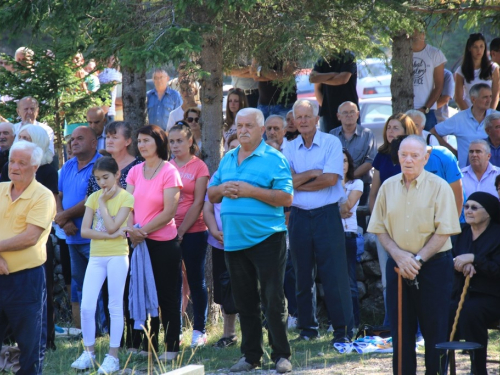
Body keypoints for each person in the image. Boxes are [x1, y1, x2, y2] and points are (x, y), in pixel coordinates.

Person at [208, 107, 293, 373]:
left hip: (267, 237)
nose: (242, 130)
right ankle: (251, 356)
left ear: (261, 129)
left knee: (272, 298)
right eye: (238, 125)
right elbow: (211, 194)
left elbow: (286, 198)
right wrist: (222, 189)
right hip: (234, 241)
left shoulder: (274, 158)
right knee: (245, 301)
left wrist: (252, 191)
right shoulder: (229, 158)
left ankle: (281, 355)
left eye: (248, 126)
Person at [368, 135, 461, 375]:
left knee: (435, 329)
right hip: (398, 265)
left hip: (433, 266)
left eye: (414, 155)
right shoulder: (388, 186)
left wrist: (417, 259)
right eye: (403, 155)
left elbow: (446, 230)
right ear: (397, 157)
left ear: (426, 158)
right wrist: (399, 256)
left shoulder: (439, 186)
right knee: (400, 331)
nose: (408, 160)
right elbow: (379, 228)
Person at [282, 99, 354, 345]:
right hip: (299, 216)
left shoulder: (331, 143)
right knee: (302, 276)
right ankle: (307, 329)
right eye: (297, 117)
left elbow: (331, 179)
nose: (302, 121)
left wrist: (301, 181)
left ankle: (343, 331)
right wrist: (314, 173)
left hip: (326, 215)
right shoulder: (288, 147)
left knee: (334, 274)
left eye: (306, 116)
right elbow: (286, 183)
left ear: (316, 118)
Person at [71, 157, 133, 374]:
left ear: (117, 175)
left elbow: (111, 226)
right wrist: (111, 234)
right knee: (87, 305)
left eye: (105, 177)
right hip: (96, 257)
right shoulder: (93, 198)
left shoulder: (126, 197)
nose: (101, 183)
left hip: (117, 256)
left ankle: (113, 357)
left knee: (114, 306)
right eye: (97, 179)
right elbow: (85, 231)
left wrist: (105, 206)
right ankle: (88, 353)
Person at [125, 125, 183, 360]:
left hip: (162, 244)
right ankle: (143, 346)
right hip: (137, 242)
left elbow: (169, 211)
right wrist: (132, 232)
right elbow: (127, 205)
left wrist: (143, 231)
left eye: (146, 140)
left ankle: (170, 348)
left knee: (166, 296)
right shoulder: (134, 171)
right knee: (137, 292)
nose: (141, 145)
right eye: (139, 141)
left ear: (159, 143)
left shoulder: (169, 171)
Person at [0, 125, 58, 353]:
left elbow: (30, 238)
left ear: (35, 167)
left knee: (30, 344)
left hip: (26, 279)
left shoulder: (43, 195)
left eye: (21, 163)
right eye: (12, 161)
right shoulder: (0, 189)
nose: (14, 167)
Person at [368, 113, 418, 326]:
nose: (390, 132)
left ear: (407, 131)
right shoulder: (382, 155)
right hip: (386, 226)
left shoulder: (415, 155)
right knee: (389, 278)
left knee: (413, 276)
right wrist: (375, 220)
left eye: (395, 128)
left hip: (413, 224)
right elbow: (374, 192)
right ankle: (391, 324)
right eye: (389, 128)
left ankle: (415, 325)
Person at [169, 123, 210, 348]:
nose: (175, 146)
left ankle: (200, 330)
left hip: (193, 231)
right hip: (168, 232)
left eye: (179, 141)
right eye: (172, 141)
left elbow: (198, 202)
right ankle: (175, 329)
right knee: (174, 282)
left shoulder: (199, 167)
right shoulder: (167, 166)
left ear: (190, 142)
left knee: (196, 280)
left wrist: (182, 231)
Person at [451, 192, 500, 375]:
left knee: (471, 311)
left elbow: (497, 269)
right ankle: (439, 368)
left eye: (474, 207)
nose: (468, 211)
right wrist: (460, 265)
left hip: (492, 296)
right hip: (462, 293)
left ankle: (478, 369)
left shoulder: (497, 235)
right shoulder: (460, 233)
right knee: (443, 312)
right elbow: (450, 258)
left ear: (488, 212)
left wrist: (475, 260)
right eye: (466, 207)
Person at [56, 127, 101, 312]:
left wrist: (63, 216)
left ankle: (103, 332)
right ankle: (88, 332)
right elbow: (58, 195)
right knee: (81, 286)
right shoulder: (68, 165)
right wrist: (64, 221)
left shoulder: (102, 165)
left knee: (98, 287)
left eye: (79, 138)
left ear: (93, 143)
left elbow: (94, 198)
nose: (74, 142)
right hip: (72, 236)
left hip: (94, 239)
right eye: (72, 139)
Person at [203, 136, 240, 349]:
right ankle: (229, 334)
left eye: (238, 148)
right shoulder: (218, 175)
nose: (234, 152)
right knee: (224, 288)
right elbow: (208, 208)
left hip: (247, 242)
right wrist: (214, 230)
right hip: (220, 242)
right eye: (231, 148)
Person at [431, 83, 495, 168]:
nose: (489, 100)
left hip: (493, 172)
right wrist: (452, 152)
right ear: (473, 99)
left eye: (490, 96)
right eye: (485, 97)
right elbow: (433, 132)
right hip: (466, 173)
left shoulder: (496, 117)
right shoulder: (459, 118)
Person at [330, 101, 377, 206]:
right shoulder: (332, 135)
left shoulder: (367, 135)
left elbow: (370, 161)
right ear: (338, 116)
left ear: (357, 115)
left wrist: (349, 177)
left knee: (360, 219)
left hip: (362, 185)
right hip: (336, 185)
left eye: (352, 112)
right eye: (345, 112)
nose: (349, 115)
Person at [86, 121, 141, 196]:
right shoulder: (100, 164)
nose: (109, 141)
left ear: (127, 141)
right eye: (107, 137)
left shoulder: (139, 166)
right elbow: (89, 196)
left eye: (114, 137)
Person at [340, 149, 362, 328]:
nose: (342, 164)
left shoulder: (357, 183)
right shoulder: (325, 184)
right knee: (332, 281)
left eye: (345, 161)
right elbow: (338, 211)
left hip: (348, 235)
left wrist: (338, 184)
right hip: (330, 234)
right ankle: (337, 322)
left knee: (349, 282)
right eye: (338, 161)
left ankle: (354, 322)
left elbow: (347, 206)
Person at [310, 52, 358, 133]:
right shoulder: (322, 60)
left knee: (352, 142)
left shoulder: (348, 57)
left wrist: (322, 77)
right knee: (328, 143)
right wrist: (333, 74)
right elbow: (313, 79)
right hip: (327, 114)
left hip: (348, 112)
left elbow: (342, 79)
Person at [412, 30, 446, 131]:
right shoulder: (402, 54)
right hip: (406, 108)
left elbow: (439, 86)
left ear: (423, 33)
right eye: (412, 31)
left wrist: (425, 108)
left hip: (427, 111)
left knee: (430, 142)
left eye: (417, 31)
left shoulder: (435, 53)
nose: (415, 34)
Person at [455, 33, 499, 110]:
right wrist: (469, 115)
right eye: (475, 47)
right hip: (468, 113)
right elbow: (458, 98)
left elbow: (496, 95)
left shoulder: (493, 68)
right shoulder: (461, 70)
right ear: (469, 48)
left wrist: (489, 113)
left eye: (481, 46)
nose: (479, 50)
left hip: (488, 114)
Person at [98, 56, 122, 123]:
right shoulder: (108, 72)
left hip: (108, 111)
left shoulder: (112, 72)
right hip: (108, 111)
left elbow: (111, 87)